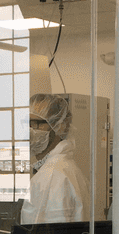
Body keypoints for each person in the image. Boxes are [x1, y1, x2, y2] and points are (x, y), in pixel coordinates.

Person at [21, 93, 92, 224]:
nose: (29, 131)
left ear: (59, 126)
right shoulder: (66, 168)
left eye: (36, 124)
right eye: (26, 123)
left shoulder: (52, 175)